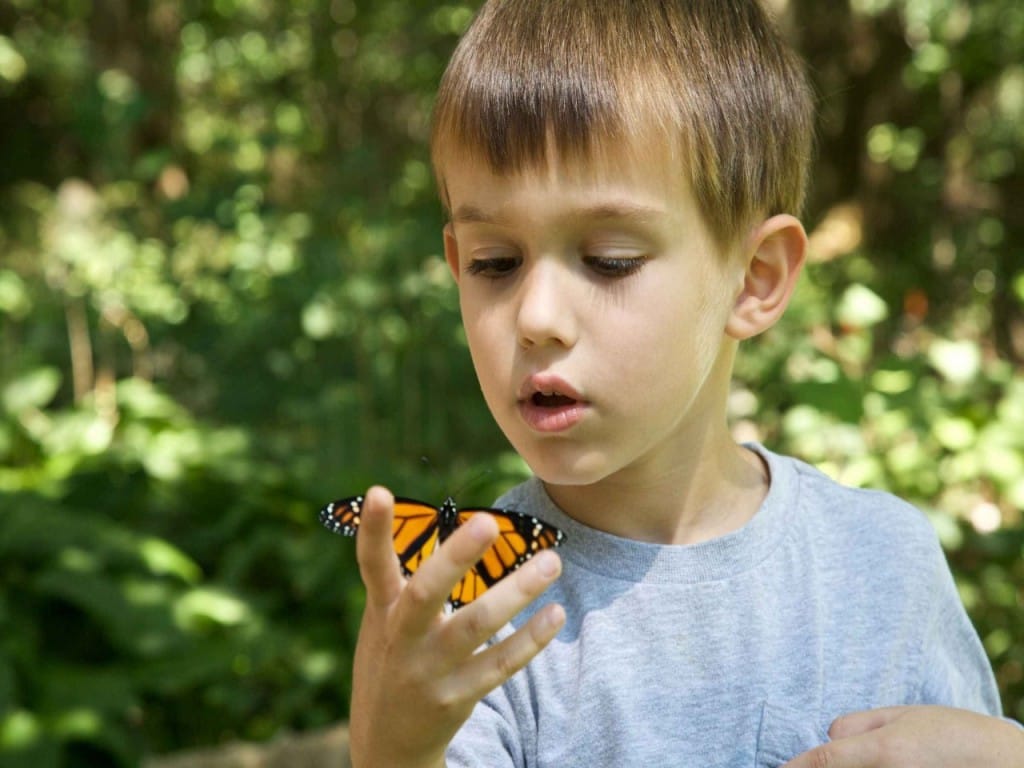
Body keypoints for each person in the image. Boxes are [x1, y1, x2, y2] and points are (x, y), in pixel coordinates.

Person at [346, 1, 1024, 766]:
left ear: (754, 278)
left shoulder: (883, 566)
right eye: (494, 263)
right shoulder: (471, 607)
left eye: (609, 261)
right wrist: (394, 750)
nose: (536, 317)